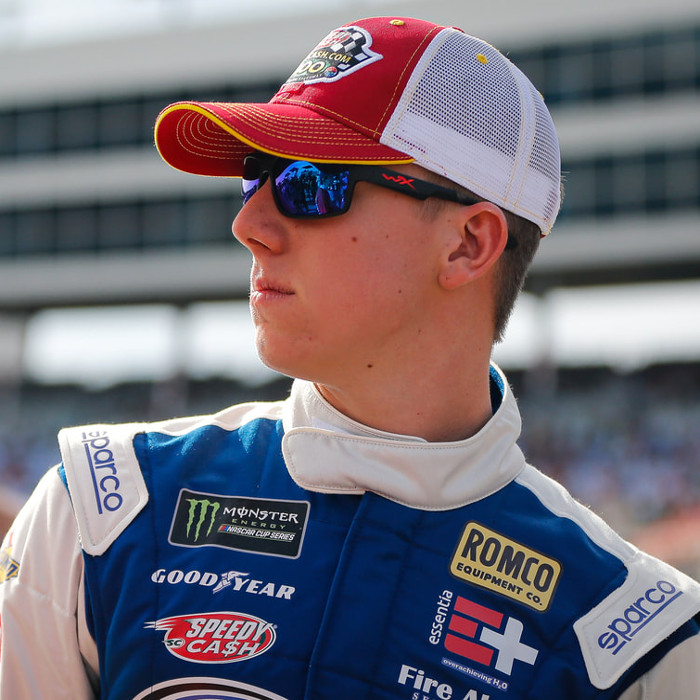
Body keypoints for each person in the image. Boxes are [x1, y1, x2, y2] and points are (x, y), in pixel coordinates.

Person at [0, 15, 698, 700]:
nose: (248, 225)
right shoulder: (99, 513)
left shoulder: (636, 642)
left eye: (309, 185)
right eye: (254, 177)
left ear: (468, 244)